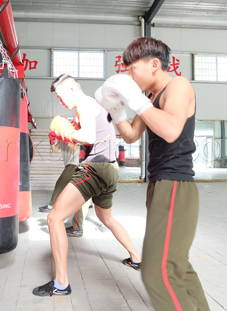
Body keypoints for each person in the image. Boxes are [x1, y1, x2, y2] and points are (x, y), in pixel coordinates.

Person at [95, 37, 210, 310]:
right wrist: (117, 110)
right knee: (177, 266)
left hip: (176, 184)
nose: (128, 75)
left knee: (157, 273)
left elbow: (170, 130)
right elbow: (132, 135)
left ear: (154, 64)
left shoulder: (178, 86)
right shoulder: (149, 98)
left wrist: (135, 100)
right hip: (159, 184)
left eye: (132, 68)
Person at [32, 74, 142, 297]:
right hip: (111, 170)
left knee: (53, 218)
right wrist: (71, 132)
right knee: (106, 218)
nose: (62, 101)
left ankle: (61, 284)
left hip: (96, 170)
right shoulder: (95, 105)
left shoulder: (85, 104)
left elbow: (89, 136)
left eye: (62, 96)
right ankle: (136, 259)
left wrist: (67, 131)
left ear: (72, 89)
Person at [38, 132, 91, 237]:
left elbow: (75, 148)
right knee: (77, 195)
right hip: (71, 165)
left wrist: (66, 138)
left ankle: (52, 205)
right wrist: (51, 141)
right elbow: (54, 150)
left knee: (60, 183)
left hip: (74, 165)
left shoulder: (74, 139)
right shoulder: (61, 141)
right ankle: (78, 227)